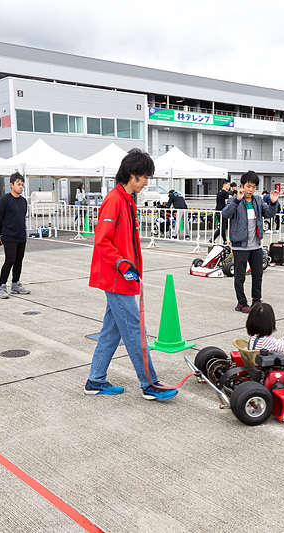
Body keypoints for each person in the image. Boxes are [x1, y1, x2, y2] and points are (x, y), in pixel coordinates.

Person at [85, 148, 178, 402]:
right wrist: (123, 265)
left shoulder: (127, 200)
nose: (147, 182)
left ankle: (95, 380)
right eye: (145, 177)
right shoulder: (115, 200)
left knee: (112, 332)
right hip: (117, 279)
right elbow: (102, 241)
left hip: (123, 277)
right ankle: (149, 384)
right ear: (132, 174)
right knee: (135, 330)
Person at [222, 171, 280, 313]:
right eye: (248, 186)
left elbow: (270, 214)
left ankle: (256, 300)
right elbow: (225, 214)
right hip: (240, 245)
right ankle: (241, 303)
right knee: (240, 276)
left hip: (256, 245)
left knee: (258, 275)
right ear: (242, 185)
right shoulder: (234, 200)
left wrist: (273, 202)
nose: (250, 190)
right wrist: (236, 200)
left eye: (253, 187)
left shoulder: (258, 201)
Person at [0, 172, 31, 299]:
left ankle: (15, 284)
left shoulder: (23, 201)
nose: (21, 187)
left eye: (22, 185)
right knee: (9, 260)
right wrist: (2, 234)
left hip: (21, 235)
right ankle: (2, 285)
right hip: (9, 236)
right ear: (11, 185)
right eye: (18, 184)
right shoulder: (4, 200)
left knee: (19, 261)